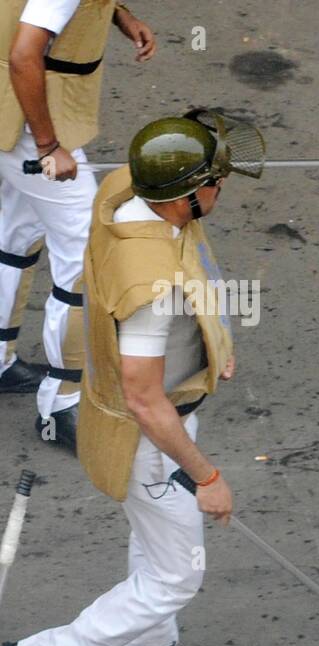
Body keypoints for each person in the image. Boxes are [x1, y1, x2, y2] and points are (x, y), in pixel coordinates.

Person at [2, 111, 264, 646]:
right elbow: (148, 400)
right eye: (214, 181)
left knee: (154, 540)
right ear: (185, 196)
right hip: (149, 434)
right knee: (176, 574)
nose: (220, 190)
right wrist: (207, 477)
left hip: (147, 411)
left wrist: (208, 346)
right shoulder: (152, 291)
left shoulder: (124, 191)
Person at [0, 0, 155, 451]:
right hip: (29, 119)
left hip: (11, 112)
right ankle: (62, 403)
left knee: (13, 236)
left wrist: (121, 16)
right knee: (87, 254)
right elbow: (25, 54)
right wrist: (48, 146)